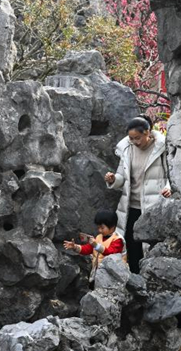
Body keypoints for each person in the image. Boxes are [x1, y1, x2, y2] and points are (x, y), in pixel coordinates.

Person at [103, 116, 171, 274]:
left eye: (138, 138)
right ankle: (133, 282)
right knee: (130, 246)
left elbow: (171, 174)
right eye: (131, 138)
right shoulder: (127, 149)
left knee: (149, 247)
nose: (135, 142)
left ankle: (149, 280)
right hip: (130, 206)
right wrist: (113, 179)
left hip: (152, 206)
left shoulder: (161, 149)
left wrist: (169, 187)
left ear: (148, 132)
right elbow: (122, 178)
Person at [64, 209, 125, 284]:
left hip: (113, 275)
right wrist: (75, 247)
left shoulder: (118, 240)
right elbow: (88, 249)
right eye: (98, 227)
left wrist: (96, 245)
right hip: (97, 272)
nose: (99, 230)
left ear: (112, 228)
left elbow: (110, 253)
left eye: (102, 228)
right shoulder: (99, 237)